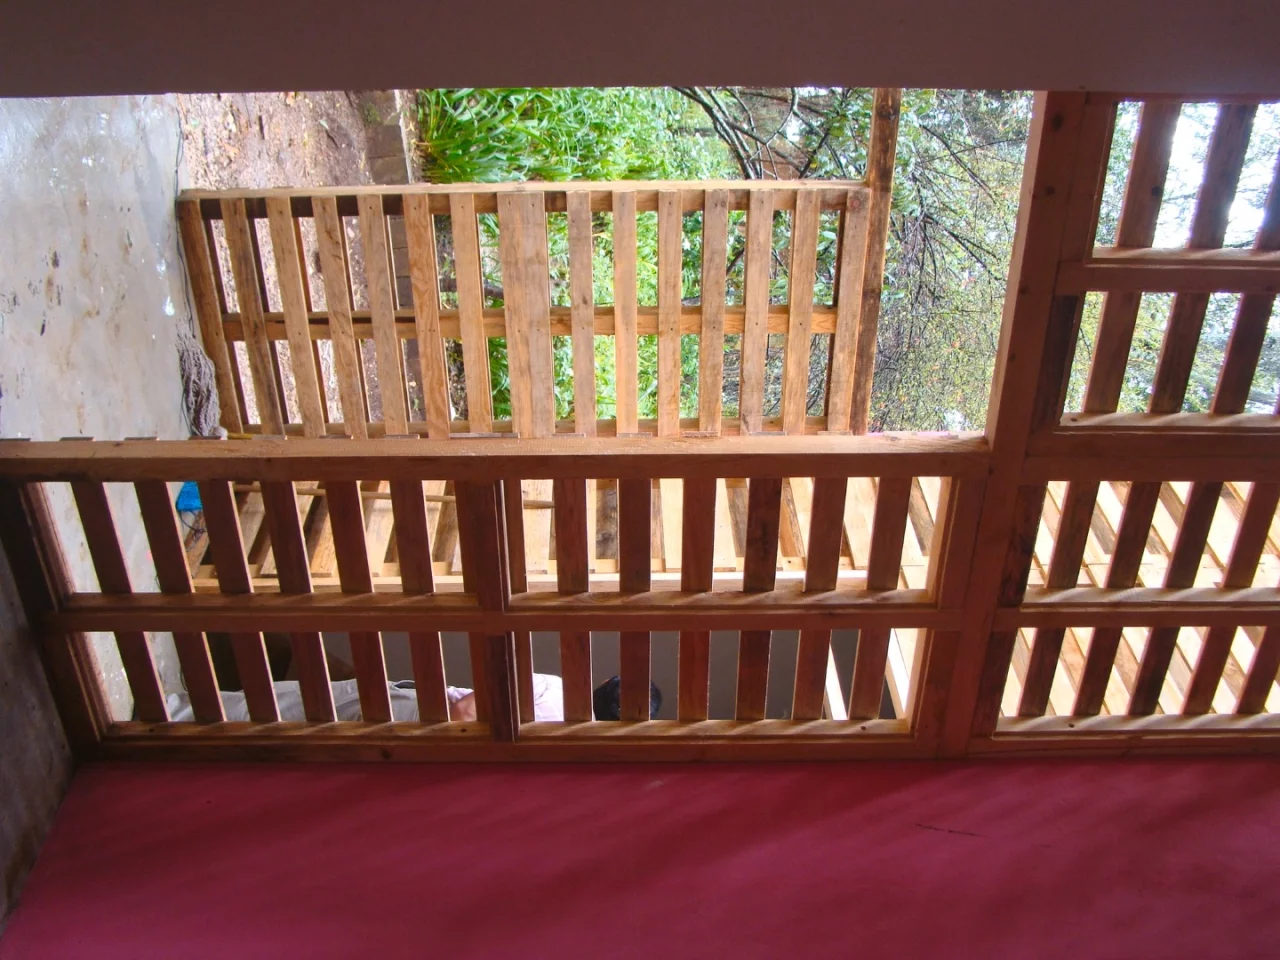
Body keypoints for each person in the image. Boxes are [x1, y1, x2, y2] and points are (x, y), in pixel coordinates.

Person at [166, 674, 663, 723]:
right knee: (297, 712)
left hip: (420, 712)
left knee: (299, 703)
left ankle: (177, 710)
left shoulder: (557, 689)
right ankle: (185, 712)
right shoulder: (574, 740)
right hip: (420, 728)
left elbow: (466, 709)